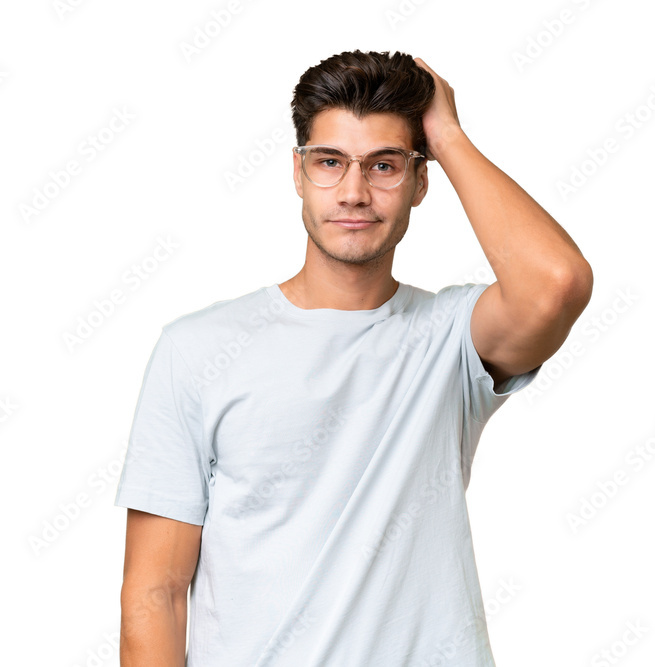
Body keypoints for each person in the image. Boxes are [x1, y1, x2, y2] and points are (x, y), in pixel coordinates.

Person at [114, 49, 593, 666]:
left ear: (422, 181)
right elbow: (155, 592)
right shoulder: (197, 349)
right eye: (330, 162)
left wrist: (445, 134)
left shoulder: (451, 338)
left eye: (385, 165)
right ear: (297, 172)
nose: (354, 191)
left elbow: (556, 281)